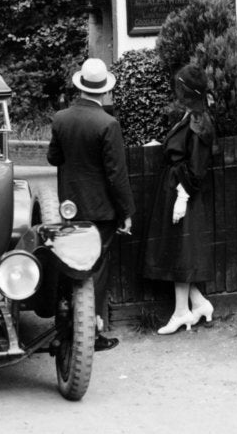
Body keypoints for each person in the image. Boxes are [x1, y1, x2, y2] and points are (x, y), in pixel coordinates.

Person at [47, 58, 136, 351]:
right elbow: (116, 175)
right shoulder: (108, 124)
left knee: (68, 264)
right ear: (104, 91)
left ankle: (63, 330)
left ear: (81, 86)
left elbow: (53, 158)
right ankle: (91, 335)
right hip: (101, 212)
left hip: (70, 208)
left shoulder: (60, 118)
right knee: (95, 270)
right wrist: (126, 213)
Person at [142, 65, 216, 334]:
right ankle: (199, 304)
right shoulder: (191, 116)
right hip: (174, 187)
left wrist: (182, 197)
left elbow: (197, 168)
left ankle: (181, 312)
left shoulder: (199, 121)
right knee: (176, 250)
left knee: (180, 254)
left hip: (183, 191)